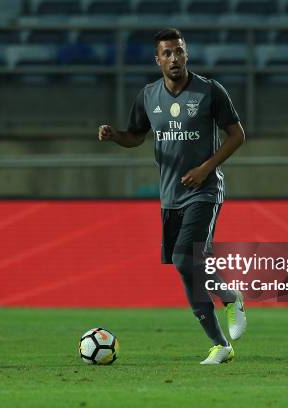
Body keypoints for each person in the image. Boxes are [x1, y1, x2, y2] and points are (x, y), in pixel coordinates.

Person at [98, 28, 247, 364]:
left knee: (185, 259)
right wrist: (114, 136)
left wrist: (206, 168)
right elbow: (136, 137)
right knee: (187, 269)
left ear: (187, 54)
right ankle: (220, 344)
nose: (174, 58)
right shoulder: (148, 96)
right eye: (167, 53)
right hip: (169, 197)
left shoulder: (210, 91)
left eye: (179, 51)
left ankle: (229, 296)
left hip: (204, 191)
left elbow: (237, 135)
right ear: (158, 60)